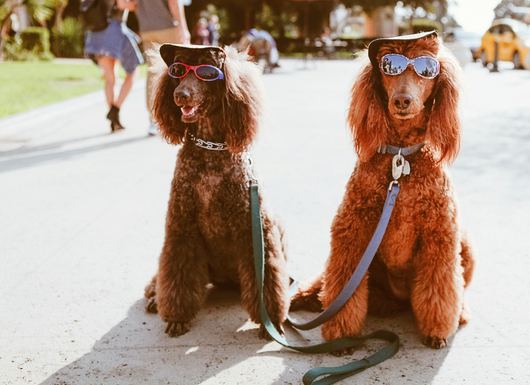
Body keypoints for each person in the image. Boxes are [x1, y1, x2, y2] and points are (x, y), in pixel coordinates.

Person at [84, 0, 143, 133]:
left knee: (110, 79)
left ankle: (114, 120)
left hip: (97, 35)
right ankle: (115, 110)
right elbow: (124, 5)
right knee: (132, 73)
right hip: (114, 33)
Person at [134, 0, 191, 135]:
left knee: (153, 72)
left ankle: (154, 119)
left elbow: (130, 4)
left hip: (147, 29)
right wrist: (183, 27)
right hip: (167, 27)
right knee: (178, 69)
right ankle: (181, 114)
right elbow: (173, 2)